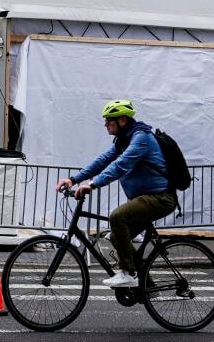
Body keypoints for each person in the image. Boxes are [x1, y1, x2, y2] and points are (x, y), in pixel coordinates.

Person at [55, 99, 177, 289]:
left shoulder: (141, 138)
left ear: (122, 120)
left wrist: (93, 184)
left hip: (161, 197)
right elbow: (103, 160)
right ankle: (148, 286)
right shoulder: (124, 140)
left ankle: (128, 273)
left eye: (108, 120)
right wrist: (74, 179)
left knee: (117, 217)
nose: (105, 124)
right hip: (146, 198)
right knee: (116, 237)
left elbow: (121, 165)